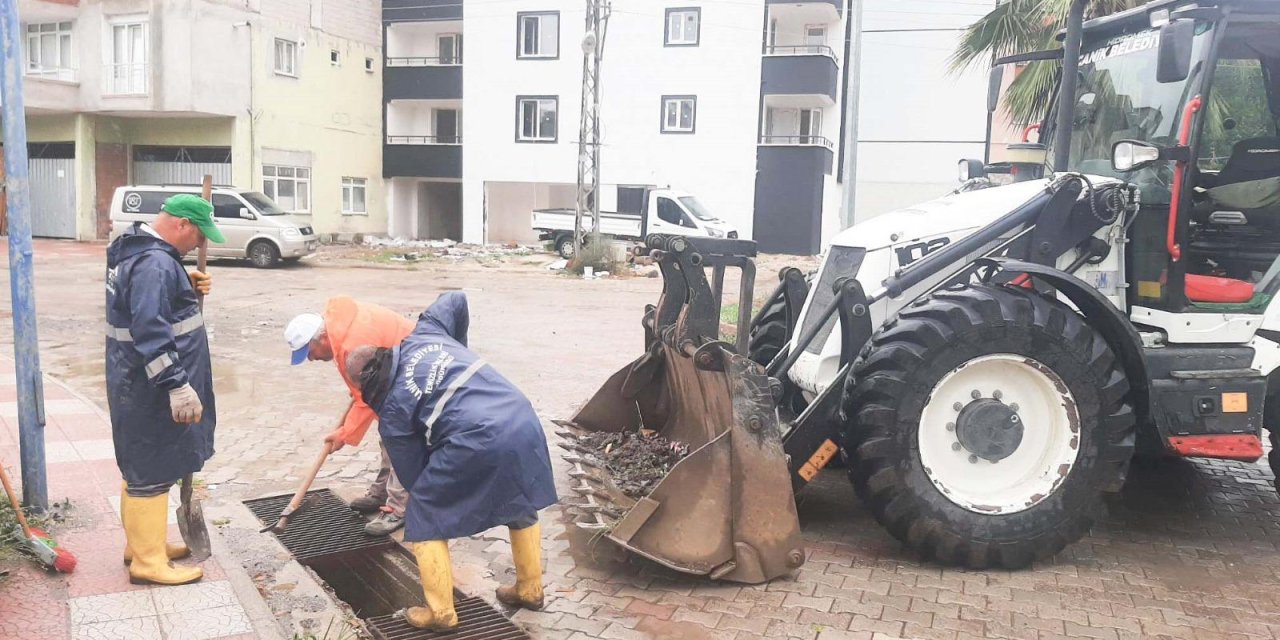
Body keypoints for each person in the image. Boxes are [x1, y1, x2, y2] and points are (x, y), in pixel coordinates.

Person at [345, 292, 557, 631]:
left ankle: (441, 613)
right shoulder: (426, 334)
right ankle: (530, 590)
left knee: (424, 512)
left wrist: (450, 509)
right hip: (520, 416)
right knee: (517, 500)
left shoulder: (393, 414)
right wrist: (455, 348)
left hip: (478, 436)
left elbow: (415, 479)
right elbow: (455, 298)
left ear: (362, 387)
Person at [106, 194, 223, 586]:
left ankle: (140, 545)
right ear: (182, 226)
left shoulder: (145, 255)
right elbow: (150, 330)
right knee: (151, 470)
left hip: (135, 381)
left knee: (140, 467)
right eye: (200, 236)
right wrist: (176, 384)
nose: (201, 245)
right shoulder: (155, 263)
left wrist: (182, 281)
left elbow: (143, 305)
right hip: (148, 386)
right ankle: (147, 562)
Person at [284, 297, 413, 535]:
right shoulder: (337, 328)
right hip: (392, 373)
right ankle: (382, 491)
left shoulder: (352, 344)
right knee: (388, 431)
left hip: (412, 373)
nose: (310, 359)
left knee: (400, 439)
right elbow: (364, 393)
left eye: (308, 352)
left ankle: (398, 509)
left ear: (320, 338)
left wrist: (344, 434)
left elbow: (367, 399)